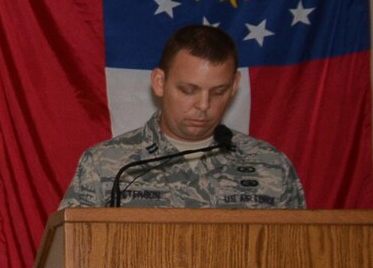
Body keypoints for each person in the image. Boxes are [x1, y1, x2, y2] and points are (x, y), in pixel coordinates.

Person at [61, 25, 306, 209]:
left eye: (218, 92)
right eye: (189, 90)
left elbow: (301, 263)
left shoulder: (271, 167)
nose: (203, 105)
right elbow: (72, 257)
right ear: (160, 82)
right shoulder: (109, 166)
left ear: (234, 86)